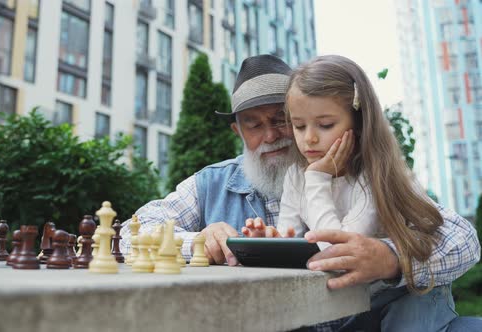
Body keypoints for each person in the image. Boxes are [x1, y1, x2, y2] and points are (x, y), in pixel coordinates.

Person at [119, 54, 479, 312]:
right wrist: (200, 242)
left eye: (282, 120)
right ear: (237, 131)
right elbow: (129, 234)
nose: (273, 135)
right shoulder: (211, 183)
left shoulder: (369, 170)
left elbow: (462, 238)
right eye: (253, 125)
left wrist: (391, 258)